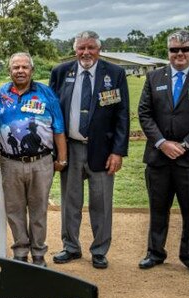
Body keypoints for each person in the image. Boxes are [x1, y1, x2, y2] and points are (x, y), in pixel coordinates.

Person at [49, 31, 129, 269]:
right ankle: (71, 247)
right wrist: (55, 151)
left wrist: (118, 152)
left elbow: (122, 115)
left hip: (103, 151)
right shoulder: (61, 72)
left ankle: (99, 250)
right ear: (75, 50)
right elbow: (52, 113)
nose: (86, 53)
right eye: (81, 48)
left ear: (99, 50)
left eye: (90, 48)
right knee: (70, 202)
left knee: (101, 203)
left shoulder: (114, 74)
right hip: (70, 149)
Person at [137, 29, 189, 277]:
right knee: (158, 208)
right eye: (175, 50)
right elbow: (144, 113)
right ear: (168, 52)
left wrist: (185, 145)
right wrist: (163, 143)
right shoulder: (154, 77)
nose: (180, 54)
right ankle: (155, 252)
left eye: (185, 49)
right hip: (159, 158)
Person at [0, 52, 67, 267]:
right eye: (16, 67)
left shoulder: (46, 94)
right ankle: (20, 252)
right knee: (14, 210)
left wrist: (62, 159)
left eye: (24, 67)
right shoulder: (0, 95)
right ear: (9, 70)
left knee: (39, 210)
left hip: (41, 162)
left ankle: (38, 254)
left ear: (32, 70)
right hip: (10, 163)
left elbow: (59, 128)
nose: (20, 71)